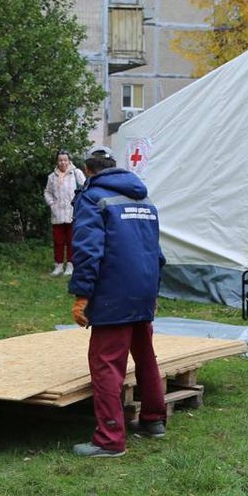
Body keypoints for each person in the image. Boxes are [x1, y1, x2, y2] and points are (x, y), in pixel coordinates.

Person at [68, 145, 167, 458]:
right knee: (145, 354)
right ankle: (154, 420)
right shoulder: (144, 198)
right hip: (143, 288)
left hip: (113, 291)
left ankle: (109, 439)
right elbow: (157, 252)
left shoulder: (93, 198)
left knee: (106, 363)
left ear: (89, 169)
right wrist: (153, 291)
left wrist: (82, 294)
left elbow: (87, 250)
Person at [43, 150, 86, 275]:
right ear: (57, 161)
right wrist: (51, 203)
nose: (63, 162)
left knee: (71, 240)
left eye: (65, 160)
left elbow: (85, 188)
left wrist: (80, 204)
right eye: (60, 160)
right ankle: (58, 265)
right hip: (57, 213)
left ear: (69, 160)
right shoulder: (52, 176)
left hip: (73, 213)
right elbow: (47, 192)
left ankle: (71, 265)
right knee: (58, 241)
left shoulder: (76, 173)